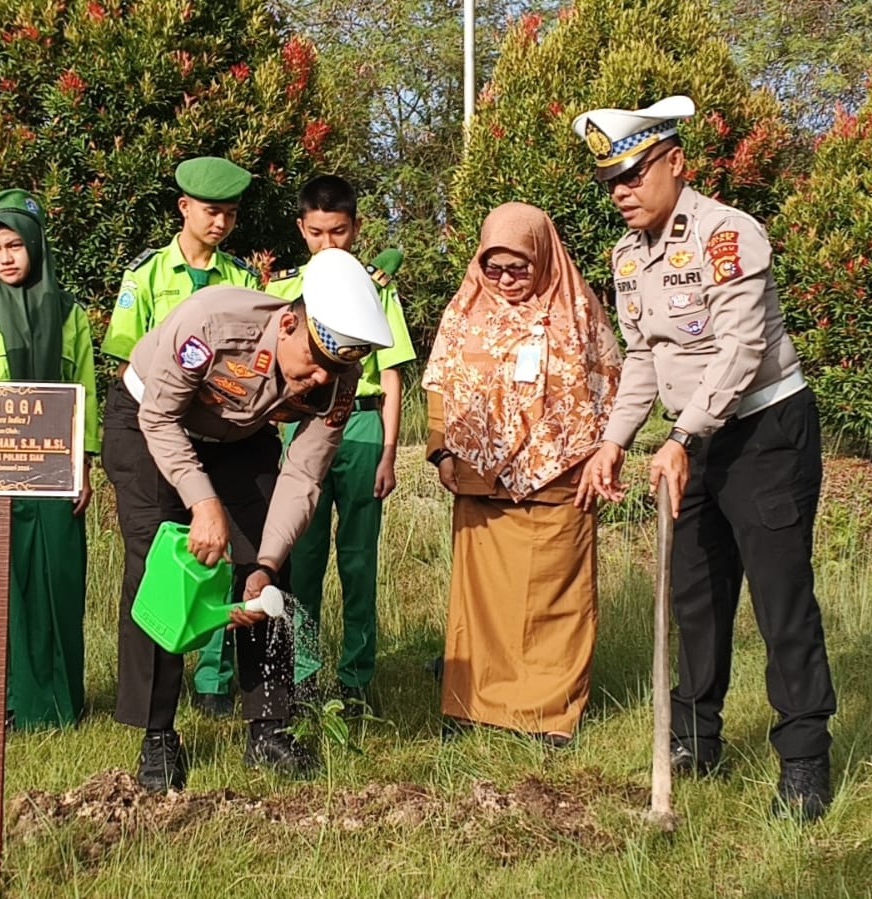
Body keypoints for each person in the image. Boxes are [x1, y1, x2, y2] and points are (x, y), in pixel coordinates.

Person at [572, 96, 837, 820]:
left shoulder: (728, 235)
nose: (620, 192)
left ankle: (804, 759)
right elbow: (643, 359)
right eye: (609, 182)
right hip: (687, 446)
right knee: (695, 596)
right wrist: (613, 440)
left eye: (631, 174)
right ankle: (694, 737)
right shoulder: (628, 257)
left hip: (762, 435)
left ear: (674, 162)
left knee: (779, 599)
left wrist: (682, 438)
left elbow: (740, 352)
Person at [121, 247, 394, 791]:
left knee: (269, 573)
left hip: (239, 438)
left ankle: (269, 727)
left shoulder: (339, 377)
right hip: (150, 420)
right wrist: (202, 502)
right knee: (162, 570)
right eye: (314, 361)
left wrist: (265, 563)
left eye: (335, 369)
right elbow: (159, 416)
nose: (319, 379)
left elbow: (303, 477)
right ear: (288, 323)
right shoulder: (214, 323)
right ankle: (157, 736)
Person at [422, 202, 621, 745]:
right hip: (480, 485)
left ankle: (547, 715)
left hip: (560, 483)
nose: (506, 280)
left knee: (554, 602)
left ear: (543, 257)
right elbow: (439, 384)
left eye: (519, 268)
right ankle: (476, 706)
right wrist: (442, 453)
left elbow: (613, 387)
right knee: (482, 606)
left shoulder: (578, 310)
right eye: (495, 267)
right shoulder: (464, 310)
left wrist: (604, 454)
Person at [101, 156, 260, 723]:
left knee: (237, 553)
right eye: (212, 212)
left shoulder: (240, 277)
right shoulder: (146, 275)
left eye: (231, 215)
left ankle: (238, 698)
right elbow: (128, 361)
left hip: (220, 432)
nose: (220, 224)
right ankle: (152, 724)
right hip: (148, 420)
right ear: (184, 208)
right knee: (153, 563)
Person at [257, 174, 416, 713]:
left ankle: (356, 679)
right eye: (318, 233)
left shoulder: (375, 287)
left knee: (357, 561)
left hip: (363, 424)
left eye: (340, 232)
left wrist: (390, 451)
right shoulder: (281, 291)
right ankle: (302, 674)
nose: (330, 244)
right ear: (302, 230)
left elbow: (391, 374)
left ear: (357, 228)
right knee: (300, 558)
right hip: (298, 428)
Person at [0, 188, 101, 730]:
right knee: (6, 587)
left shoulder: (70, 314)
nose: (8, 257)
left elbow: (83, 389)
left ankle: (64, 703)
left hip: (57, 475)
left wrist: (84, 464)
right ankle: (15, 704)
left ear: (36, 245)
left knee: (61, 583)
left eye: (16, 244)